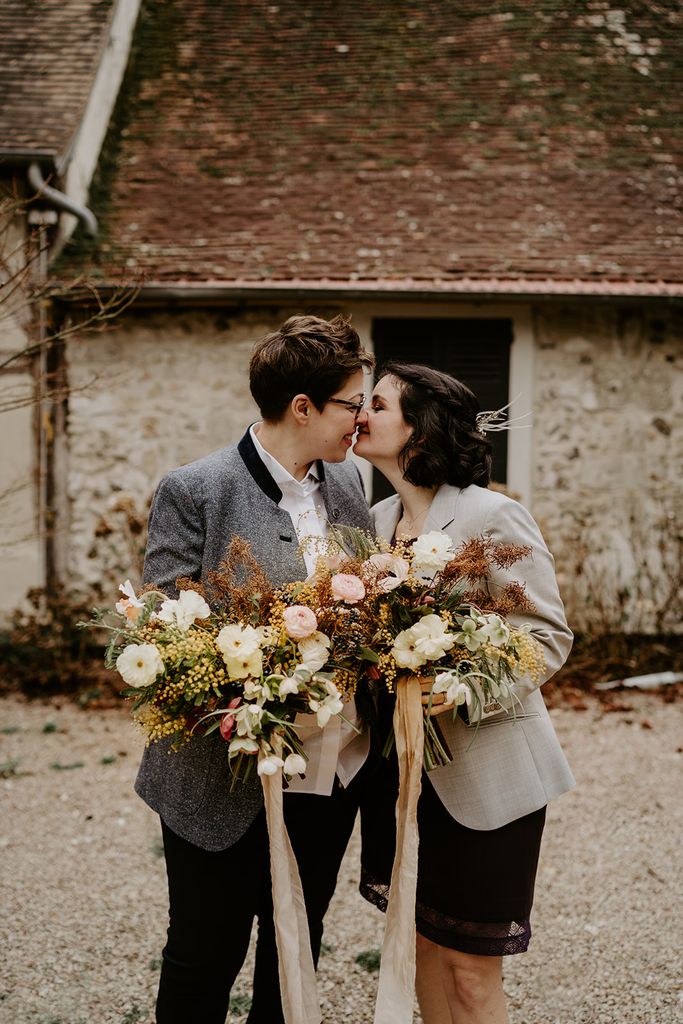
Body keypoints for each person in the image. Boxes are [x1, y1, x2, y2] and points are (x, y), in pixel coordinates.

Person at [135, 314, 374, 1024]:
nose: (360, 419)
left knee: (293, 952)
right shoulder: (194, 489)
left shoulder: (350, 481)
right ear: (302, 407)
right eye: (351, 404)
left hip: (326, 774)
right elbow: (162, 629)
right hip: (219, 772)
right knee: (203, 954)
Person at [353, 363, 575, 1024]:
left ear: (418, 428)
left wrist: (468, 685)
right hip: (402, 774)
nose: (360, 413)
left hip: (487, 778)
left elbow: (547, 633)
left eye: (378, 404)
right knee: (419, 948)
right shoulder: (375, 521)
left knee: (472, 972)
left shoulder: (491, 514)